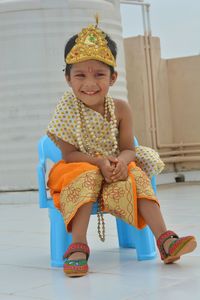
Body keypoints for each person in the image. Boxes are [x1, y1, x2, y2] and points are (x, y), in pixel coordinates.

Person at [46, 17, 197, 277]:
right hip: (76, 167)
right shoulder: (65, 109)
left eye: (99, 74)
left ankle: (165, 241)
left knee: (137, 174)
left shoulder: (121, 109)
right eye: (80, 75)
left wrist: (121, 163)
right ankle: (78, 246)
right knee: (84, 175)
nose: (90, 83)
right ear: (68, 79)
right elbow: (68, 155)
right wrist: (99, 163)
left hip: (115, 165)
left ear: (113, 77)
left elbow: (128, 148)